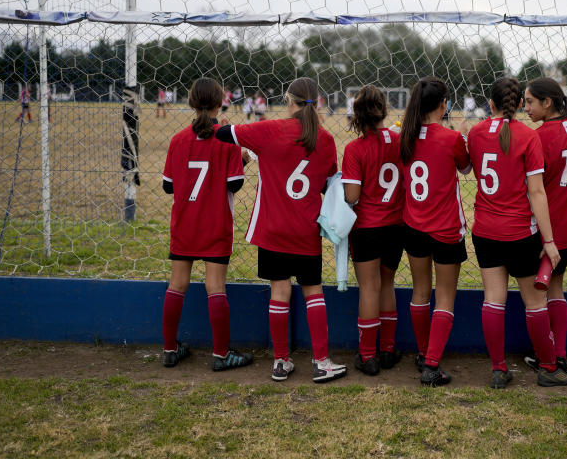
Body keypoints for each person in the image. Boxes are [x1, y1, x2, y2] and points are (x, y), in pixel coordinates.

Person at [214, 77, 348, 383]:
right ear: (317, 103)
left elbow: (225, 134)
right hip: (305, 229)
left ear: (290, 101)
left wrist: (220, 125)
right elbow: (328, 181)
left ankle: (280, 362)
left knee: (279, 291)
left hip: (273, 229)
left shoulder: (269, 130)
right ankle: (321, 362)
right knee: (313, 291)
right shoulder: (324, 139)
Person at [468, 77, 567, 388]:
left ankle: (498, 368)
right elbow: (536, 192)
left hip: (485, 229)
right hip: (520, 232)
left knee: (493, 299)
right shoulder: (528, 136)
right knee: (534, 303)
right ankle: (549, 368)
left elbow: (470, 167)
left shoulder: (475, 132)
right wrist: (549, 241)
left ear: (490, 104)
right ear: (519, 104)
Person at [160, 77, 253, 372]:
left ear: (190, 102)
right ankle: (221, 354)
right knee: (215, 286)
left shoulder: (178, 140)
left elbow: (167, 187)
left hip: (185, 223)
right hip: (215, 224)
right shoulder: (226, 140)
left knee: (176, 285)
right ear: (219, 102)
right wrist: (243, 157)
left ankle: (169, 349)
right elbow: (235, 184)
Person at [399, 76, 471, 386]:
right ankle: (431, 364)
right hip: (445, 228)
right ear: (443, 105)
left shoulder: (403, 137)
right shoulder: (451, 138)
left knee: (420, 291)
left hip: (413, 226)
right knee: (445, 296)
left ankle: (423, 351)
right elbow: (466, 168)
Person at [521, 77, 567, 374]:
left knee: (538, 294)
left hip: (541, 229)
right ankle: (559, 353)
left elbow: (531, 188)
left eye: (529, 102)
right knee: (557, 289)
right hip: (564, 229)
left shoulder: (538, 137)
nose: (525, 108)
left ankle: (547, 357)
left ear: (547, 102)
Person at [341, 85, 405, 375]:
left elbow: (352, 196)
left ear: (357, 114)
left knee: (369, 287)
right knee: (387, 283)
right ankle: (388, 349)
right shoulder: (401, 139)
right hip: (396, 225)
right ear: (383, 109)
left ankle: (368, 355)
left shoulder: (355, 148)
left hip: (367, 226)